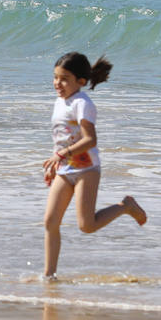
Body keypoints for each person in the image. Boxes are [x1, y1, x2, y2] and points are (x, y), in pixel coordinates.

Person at [41, 52, 147, 279]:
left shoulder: (82, 103)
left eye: (64, 78)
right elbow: (61, 137)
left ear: (80, 81)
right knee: (50, 221)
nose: (57, 83)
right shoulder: (60, 102)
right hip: (64, 169)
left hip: (86, 170)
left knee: (86, 226)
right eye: (55, 77)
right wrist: (54, 163)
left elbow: (90, 140)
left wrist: (61, 155)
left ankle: (125, 206)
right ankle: (49, 276)